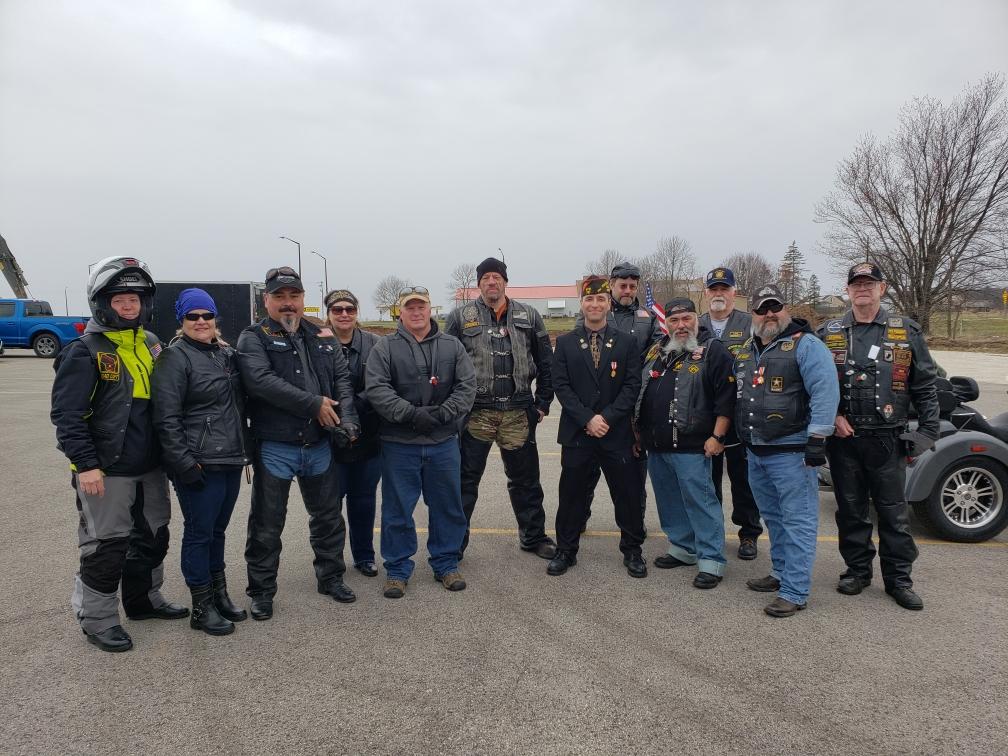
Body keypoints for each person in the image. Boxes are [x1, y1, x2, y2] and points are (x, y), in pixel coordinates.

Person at [51, 256, 188, 653]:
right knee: (106, 546)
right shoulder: (85, 351)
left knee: (154, 536)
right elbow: (67, 415)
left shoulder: (151, 343)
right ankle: (98, 620)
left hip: (151, 466)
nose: (128, 306)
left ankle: (143, 600)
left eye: (134, 299)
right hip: (107, 469)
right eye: (119, 300)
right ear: (102, 303)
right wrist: (86, 465)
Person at [237, 266, 360, 621]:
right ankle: (261, 591)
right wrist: (314, 404)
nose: (287, 303)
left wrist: (348, 421)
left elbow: (342, 380)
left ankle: (331, 577)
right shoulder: (253, 337)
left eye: (294, 296)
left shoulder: (321, 334)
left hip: (318, 444)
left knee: (328, 519)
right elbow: (260, 381)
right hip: (276, 445)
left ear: (303, 298)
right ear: (266, 300)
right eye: (279, 297)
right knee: (267, 524)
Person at [817, 262, 939, 611]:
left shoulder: (906, 331)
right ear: (847, 290)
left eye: (869, 283)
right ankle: (857, 571)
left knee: (893, 514)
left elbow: (925, 386)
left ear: (882, 289)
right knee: (851, 511)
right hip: (844, 440)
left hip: (888, 439)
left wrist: (926, 433)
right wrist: (833, 417)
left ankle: (899, 580)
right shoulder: (829, 332)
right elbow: (817, 385)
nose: (862, 289)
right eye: (856, 284)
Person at [365, 285, 476, 599]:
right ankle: (398, 569)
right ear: (400, 312)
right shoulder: (385, 347)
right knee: (397, 509)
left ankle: (446, 563)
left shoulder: (452, 346)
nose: (416, 312)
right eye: (410, 307)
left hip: (443, 442)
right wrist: (410, 415)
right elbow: (377, 389)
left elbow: (467, 386)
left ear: (431, 309)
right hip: (399, 443)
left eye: (421, 306)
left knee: (447, 506)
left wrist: (442, 414)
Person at [734, 284, 839, 617]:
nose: (769, 314)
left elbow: (825, 391)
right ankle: (780, 572)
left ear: (785, 309)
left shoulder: (807, 346)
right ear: (752, 314)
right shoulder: (748, 349)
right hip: (756, 452)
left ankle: (795, 590)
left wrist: (818, 438)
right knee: (774, 518)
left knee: (798, 522)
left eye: (775, 307)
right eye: (762, 309)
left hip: (792, 454)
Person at [151, 288, 249, 636]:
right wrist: (183, 462)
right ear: (182, 320)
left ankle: (219, 594)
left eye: (207, 315)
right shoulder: (174, 358)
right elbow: (166, 417)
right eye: (192, 316)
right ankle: (201, 605)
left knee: (217, 531)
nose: (201, 321)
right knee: (199, 532)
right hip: (199, 462)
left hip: (230, 458)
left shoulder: (226, 354)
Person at [444, 257, 556, 560]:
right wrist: (454, 408)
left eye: (496, 277)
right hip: (475, 413)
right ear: (479, 283)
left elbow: (546, 361)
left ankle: (533, 537)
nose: (491, 282)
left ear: (505, 281)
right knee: (465, 481)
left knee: (526, 481)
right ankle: (453, 544)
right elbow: (445, 363)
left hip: (518, 412)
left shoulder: (529, 315)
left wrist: (543, 402)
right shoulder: (459, 317)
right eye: (485, 278)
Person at [548, 276, 646, 578]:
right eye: (589, 299)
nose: (595, 304)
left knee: (627, 495)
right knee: (571, 496)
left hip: (615, 434)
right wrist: (587, 418)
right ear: (582, 304)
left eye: (601, 299)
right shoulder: (565, 343)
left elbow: (632, 386)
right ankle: (566, 550)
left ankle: (632, 550)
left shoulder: (627, 343)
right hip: (578, 434)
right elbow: (561, 386)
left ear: (608, 304)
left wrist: (607, 418)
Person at [636, 298, 736, 589]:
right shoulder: (657, 350)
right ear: (666, 324)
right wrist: (638, 432)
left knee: (701, 502)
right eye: (674, 320)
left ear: (696, 320)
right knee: (669, 499)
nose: (681, 325)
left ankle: (711, 559)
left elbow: (727, 398)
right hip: (657, 444)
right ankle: (683, 547)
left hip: (694, 445)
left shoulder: (713, 351)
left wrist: (718, 437)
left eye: (686, 319)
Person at [578, 261, 662, 527]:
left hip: (634, 403)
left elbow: (656, 354)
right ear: (612, 285)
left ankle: (635, 522)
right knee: (587, 470)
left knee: (633, 472)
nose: (627, 290)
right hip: (598, 405)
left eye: (632, 286)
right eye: (622, 285)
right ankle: (579, 518)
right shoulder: (598, 311)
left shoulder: (648, 318)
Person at [699, 266, 762, 560]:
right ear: (706, 293)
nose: (718, 294)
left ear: (734, 293)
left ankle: (749, 533)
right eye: (713, 289)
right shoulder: (696, 325)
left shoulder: (750, 324)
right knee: (707, 481)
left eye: (724, 289)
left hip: (741, 416)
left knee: (743, 479)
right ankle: (711, 532)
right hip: (706, 416)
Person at [324, 288, 381, 577]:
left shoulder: (375, 343)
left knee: (363, 501)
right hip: (328, 437)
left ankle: (364, 556)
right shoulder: (317, 342)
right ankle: (331, 562)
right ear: (328, 314)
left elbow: (383, 382)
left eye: (349, 309)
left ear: (357, 312)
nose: (344, 314)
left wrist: (353, 407)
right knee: (329, 506)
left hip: (368, 437)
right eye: (337, 309)